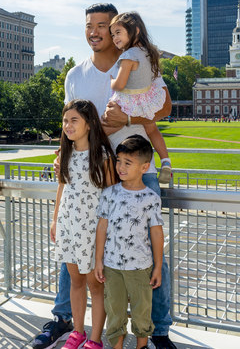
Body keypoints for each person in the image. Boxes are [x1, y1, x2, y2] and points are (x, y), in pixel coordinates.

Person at [32, 3, 176, 349]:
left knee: (153, 256)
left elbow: (166, 107)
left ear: (117, 29)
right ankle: (65, 320)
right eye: (89, 25)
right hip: (88, 178)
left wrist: (126, 121)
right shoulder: (75, 75)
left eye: (103, 25)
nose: (95, 31)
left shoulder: (137, 60)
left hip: (136, 173)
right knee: (76, 250)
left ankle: (157, 331)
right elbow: (71, 122)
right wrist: (61, 155)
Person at [51, 99, 116, 349]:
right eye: (65, 120)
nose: (67, 125)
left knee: (95, 286)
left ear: (89, 124)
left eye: (74, 120)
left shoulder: (101, 156)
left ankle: (95, 339)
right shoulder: (65, 153)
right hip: (69, 226)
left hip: (92, 230)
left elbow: (111, 195)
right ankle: (77, 332)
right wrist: (55, 220)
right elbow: (62, 187)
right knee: (75, 282)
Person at [95, 135, 164, 349]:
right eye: (118, 161)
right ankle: (116, 345)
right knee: (114, 310)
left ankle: (141, 346)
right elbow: (102, 228)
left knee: (141, 311)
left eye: (127, 162)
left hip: (140, 267)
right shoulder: (109, 194)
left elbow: (156, 234)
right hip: (112, 266)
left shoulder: (151, 198)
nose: (120, 167)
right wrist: (98, 260)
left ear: (144, 167)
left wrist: (158, 266)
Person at [103, 11, 171, 184]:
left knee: (103, 127)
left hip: (128, 102)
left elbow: (119, 85)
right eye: (113, 34)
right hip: (145, 100)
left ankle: (92, 154)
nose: (114, 38)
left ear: (136, 31)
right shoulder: (149, 55)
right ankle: (166, 162)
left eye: (117, 33)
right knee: (152, 129)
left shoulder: (127, 56)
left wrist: (126, 118)